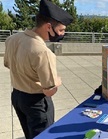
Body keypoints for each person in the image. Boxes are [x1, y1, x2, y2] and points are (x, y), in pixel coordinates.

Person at [4, 0, 73, 138]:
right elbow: (49, 91)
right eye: (61, 30)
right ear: (48, 27)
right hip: (36, 103)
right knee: (44, 136)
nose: (62, 34)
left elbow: (8, 64)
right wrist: (57, 81)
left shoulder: (12, 39)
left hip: (17, 97)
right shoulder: (43, 52)